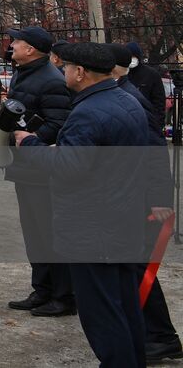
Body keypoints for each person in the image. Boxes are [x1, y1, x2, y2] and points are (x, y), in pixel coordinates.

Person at [12, 42, 159, 366]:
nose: (62, 70)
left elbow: (68, 167)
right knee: (124, 306)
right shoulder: (128, 100)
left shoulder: (88, 112)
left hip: (93, 230)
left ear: (80, 72)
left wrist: (32, 144)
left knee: (103, 315)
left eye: (65, 66)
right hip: (122, 221)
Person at [111, 43, 183, 362]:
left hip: (147, 201)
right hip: (135, 198)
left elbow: (154, 158)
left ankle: (162, 337)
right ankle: (150, 332)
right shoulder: (120, 95)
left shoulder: (131, 100)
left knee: (141, 268)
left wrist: (159, 203)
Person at [3, 27, 74, 317]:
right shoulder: (25, 73)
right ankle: (42, 289)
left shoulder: (51, 81)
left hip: (41, 169)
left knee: (48, 233)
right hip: (25, 168)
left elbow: (59, 123)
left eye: (16, 42)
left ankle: (63, 296)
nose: (12, 46)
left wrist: (27, 139)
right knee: (34, 233)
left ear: (30, 49)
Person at [127, 42, 168, 134]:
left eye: (134, 56)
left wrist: (157, 124)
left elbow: (159, 102)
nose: (132, 59)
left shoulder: (151, 74)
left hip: (148, 122)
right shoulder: (123, 74)